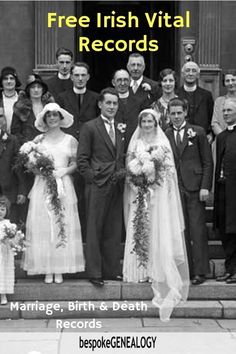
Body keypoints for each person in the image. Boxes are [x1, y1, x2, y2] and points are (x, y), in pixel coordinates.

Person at [123, 108, 189, 322]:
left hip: (158, 194)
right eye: (144, 121)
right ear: (140, 123)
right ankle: (138, 270)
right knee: (140, 228)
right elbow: (129, 168)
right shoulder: (135, 143)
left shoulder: (163, 142)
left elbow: (170, 170)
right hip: (140, 193)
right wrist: (138, 182)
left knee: (157, 230)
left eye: (150, 121)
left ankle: (156, 270)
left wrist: (156, 178)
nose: (147, 125)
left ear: (156, 122)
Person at [23, 103, 85, 284]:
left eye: (55, 115)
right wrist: (40, 171)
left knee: (62, 223)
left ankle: (60, 268)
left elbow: (75, 163)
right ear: (44, 119)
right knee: (43, 224)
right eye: (48, 116)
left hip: (62, 184)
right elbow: (30, 164)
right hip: (43, 183)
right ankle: (46, 268)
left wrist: (64, 171)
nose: (52, 119)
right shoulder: (38, 140)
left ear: (60, 118)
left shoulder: (70, 140)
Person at [77, 88, 124, 287]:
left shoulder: (122, 128)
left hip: (117, 184)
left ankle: (111, 270)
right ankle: (95, 272)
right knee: (94, 230)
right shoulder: (90, 127)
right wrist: (93, 178)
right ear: (100, 104)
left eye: (115, 103)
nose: (112, 106)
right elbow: (81, 160)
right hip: (97, 185)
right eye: (108, 103)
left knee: (114, 229)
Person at [166, 98, 213, 285]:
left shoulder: (198, 132)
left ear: (185, 112)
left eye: (179, 113)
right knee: (180, 231)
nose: (176, 116)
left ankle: (201, 271)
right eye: (173, 113)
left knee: (197, 229)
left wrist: (205, 186)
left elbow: (208, 162)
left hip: (195, 187)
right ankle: (186, 270)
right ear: (168, 114)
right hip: (174, 188)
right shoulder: (165, 133)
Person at [214, 98, 236, 284]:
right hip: (223, 189)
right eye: (224, 111)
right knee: (225, 230)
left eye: (229, 110)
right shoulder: (220, 137)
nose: (226, 113)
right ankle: (229, 270)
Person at [57, 62, 99, 141]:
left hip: (90, 140)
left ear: (88, 77)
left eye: (83, 75)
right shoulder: (62, 97)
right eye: (77, 75)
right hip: (67, 141)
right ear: (71, 77)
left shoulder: (96, 97)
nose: (80, 79)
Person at [0, 106, 26, 223]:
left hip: (8, 194)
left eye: (0, 116)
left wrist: (22, 191)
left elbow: (18, 168)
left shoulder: (12, 140)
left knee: (10, 234)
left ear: (4, 119)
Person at [11, 74, 54, 145]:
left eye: (39, 87)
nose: (36, 90)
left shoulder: (50, 107)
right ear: (28, 90)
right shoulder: (20, 107)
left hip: (49, 147)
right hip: (26, 149)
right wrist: (28, 145)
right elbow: (15, 132)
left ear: (43, 89)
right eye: (33, 87)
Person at [112, 69, 149, 150]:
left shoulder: (140, 101)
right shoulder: (108, 102)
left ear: (130, 82)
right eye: (119, 80)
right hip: (113, 147)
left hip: (134, 146)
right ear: (113, 82)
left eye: (125, 80)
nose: (122, 83)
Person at [177, 61, 214, 144]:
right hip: (181, 138)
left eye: (194, 71)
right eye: (187, 70)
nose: (190, 74)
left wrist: (210, 133)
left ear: (198, 75)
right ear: (183, 74)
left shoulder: (206, 95)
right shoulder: (176, 94)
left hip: (202, 137)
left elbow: (211, 115)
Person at [211, 69, 236, 136]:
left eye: (233, 80)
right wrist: (224, 137)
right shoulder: (219, 101)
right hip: (221, 140)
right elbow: (214, 123)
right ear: (224, 83)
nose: (230, 83)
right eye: (227, 81)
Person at [0, 196, 15, 305]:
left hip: (4, 254)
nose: (0, 212)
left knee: (3, 272)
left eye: (2, 209)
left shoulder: (8, 225)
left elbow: (12, 240)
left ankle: (3, 295)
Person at [0, 66, 21, 133]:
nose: (9, 81)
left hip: (20, 139)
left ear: (16, 81)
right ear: (2, 82)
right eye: (5, 79)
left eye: (11, 78)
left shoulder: (23, 98)